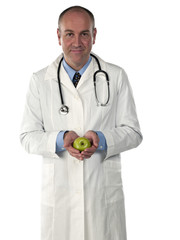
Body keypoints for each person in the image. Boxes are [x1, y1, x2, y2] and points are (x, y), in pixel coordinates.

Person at [20, 5, 143, 240]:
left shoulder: (115, 76)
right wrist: (59, 139)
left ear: (94, 35)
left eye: (84, 34)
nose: (77, 42)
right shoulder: (39, 80)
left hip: (102, 200)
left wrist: (103, 139)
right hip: (60, 200)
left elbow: (133, 132)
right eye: (69, 34)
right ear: (58, 36)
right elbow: (27, 137)